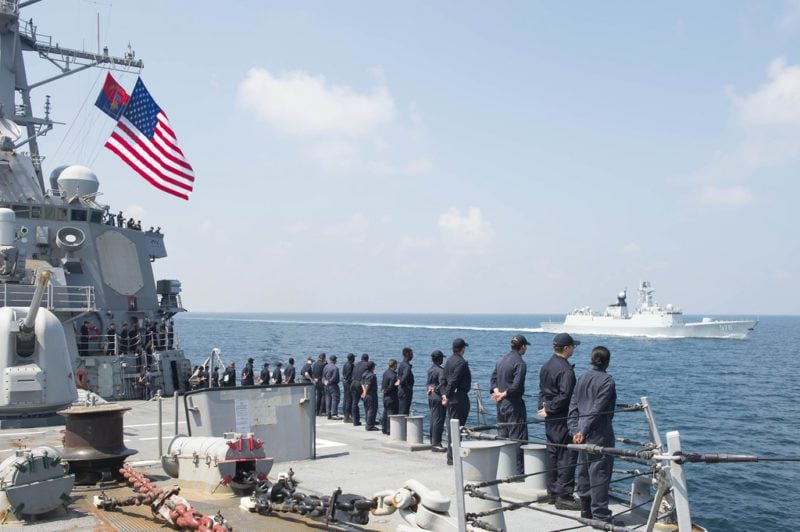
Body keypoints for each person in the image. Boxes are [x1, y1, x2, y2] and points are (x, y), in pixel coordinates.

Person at [568, 346, 617, 523]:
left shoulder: (582, 377)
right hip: (599, 433)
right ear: (607, 361)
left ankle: (585, 509)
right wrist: (582, 430)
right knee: (600, 473)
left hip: (581, 433)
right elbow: (598, 409)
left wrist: (575, 430)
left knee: (583, 471)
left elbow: (573, 406)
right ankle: (601, 514)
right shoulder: (607, 381)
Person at [538, 333, 581, 510]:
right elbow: (566, 395)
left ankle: (552, 492)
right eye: (573, 346)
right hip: (563, 417)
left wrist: (544, 408)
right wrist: (550, 408)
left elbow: (542, 391)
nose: (574, 349)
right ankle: (564, 495)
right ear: (566, 348)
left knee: (553, 453)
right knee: (567, 454)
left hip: (550, 418)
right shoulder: (566, 370)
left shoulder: (546, 366)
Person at [490, 334, 531, 474]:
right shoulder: (520, 363)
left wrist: (497, 392)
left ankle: (503, 468)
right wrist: (504, 394)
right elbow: (517, 386)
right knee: (517, 437)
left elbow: (493, 379)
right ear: (523, 347)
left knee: (502, 434)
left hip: (500, 403)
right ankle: (518, 471)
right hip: (513, 403)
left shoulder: (501, 360)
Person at [441, 338, 471, 465]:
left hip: (451, 398)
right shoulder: (461, 362)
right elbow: (454, 380)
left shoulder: (448, 361)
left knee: (452, 427)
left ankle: (452, 456)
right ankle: (453, 457)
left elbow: (443, 380)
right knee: (458, 428)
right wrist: (447, 395)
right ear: (462, 349)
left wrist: (444, 394)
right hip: (459, 398)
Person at [427, 350, 446, 452]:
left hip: (431, 396)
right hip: (438, 397)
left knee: (433, 419)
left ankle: (432, 441)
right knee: (438, 420)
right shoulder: (441, 371)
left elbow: (428, 383)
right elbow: (441, 385)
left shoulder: (430, 369)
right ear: (439, 359)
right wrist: (443, 395)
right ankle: (436, 443)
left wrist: (429, 389)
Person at [381, 359, 399, 434]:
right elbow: (391, 387)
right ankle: (389, 430)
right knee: (390, 413)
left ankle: (384, 428)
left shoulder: (385, 373)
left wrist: (383, 390)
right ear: (394, 365)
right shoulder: (393, 376)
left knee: (385, 412)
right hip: (391, 396)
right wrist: (397, 384)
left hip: (385, 397)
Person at [351, 353, 369, 426]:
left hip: (353, 383)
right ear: (367, 359)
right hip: (360, 384)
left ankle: (355, 421)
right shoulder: (367, 365)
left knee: (355, 402)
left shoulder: (357, 364)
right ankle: (369, 420)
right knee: (367, 402)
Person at [361, 361, 379, 431]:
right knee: (372, 409)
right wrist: (365, 392)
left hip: (366, 393)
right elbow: (368, 385)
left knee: (367, 409)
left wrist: (363, 392)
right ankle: (370, 426)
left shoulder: (364, 374)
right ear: (372, 367)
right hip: (371, 394)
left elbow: (362, 384)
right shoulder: (372, 375)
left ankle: (368, 422)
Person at [323, 355, 341, 419]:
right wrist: (330, 381)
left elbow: (323, 376)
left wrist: (325, 382)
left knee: (328, 399)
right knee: (335, 398)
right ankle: (334, 413)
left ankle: (328, 413)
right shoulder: (335, 368)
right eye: (336, 359)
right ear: (334, 360)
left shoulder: (326, 366)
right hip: (333, 385)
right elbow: (334, 377)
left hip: (325, 385)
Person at [397, 347, 415, 415]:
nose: (412, 356)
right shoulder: (407, 366)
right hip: (405, 390)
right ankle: (402, 425)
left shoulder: (401, 364)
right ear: (407, 354)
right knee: (404, 410)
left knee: (402, 408)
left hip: (401, 390)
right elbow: (405, 376)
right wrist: (401, 382)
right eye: (411, 354)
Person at [342, 353, 355, 422]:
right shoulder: (351, 365)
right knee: (349, 399)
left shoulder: (345, 364)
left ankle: (345, 414)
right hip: (348, 383)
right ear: (352, 359)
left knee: (345, 398)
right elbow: (349, 376)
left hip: (345, 382)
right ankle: (347, 417)